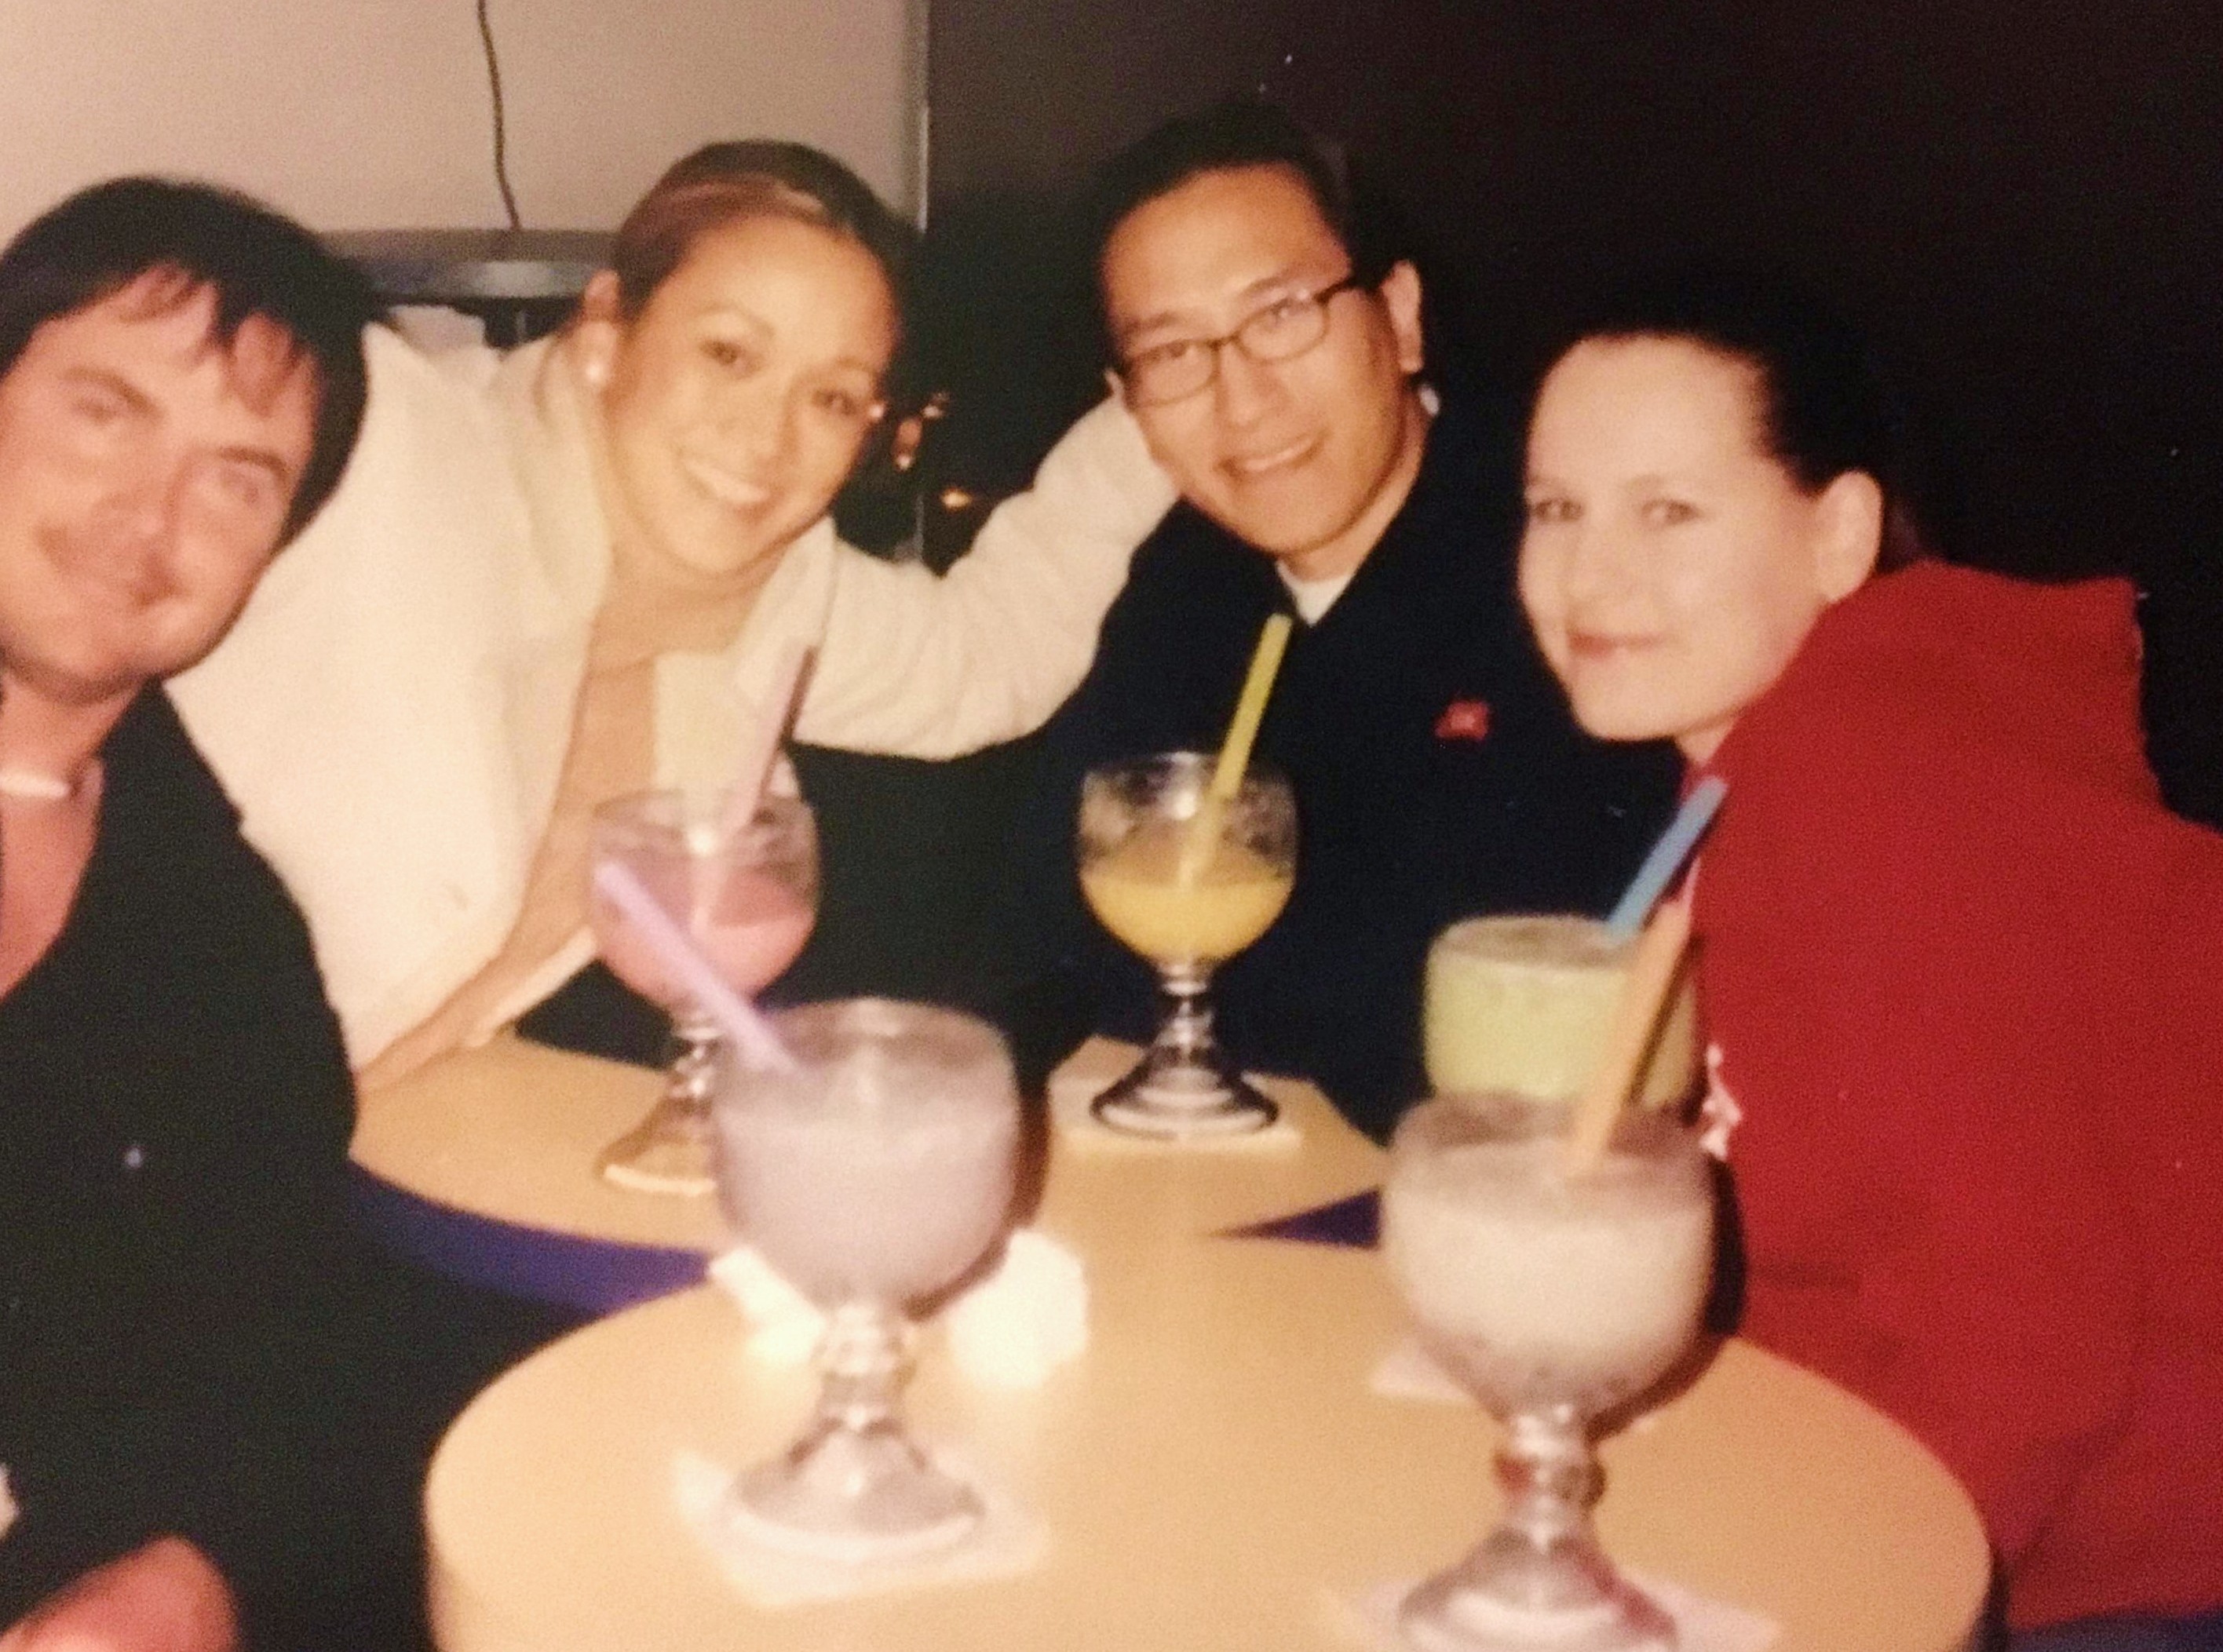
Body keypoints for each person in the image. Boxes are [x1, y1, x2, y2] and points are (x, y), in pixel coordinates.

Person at [1515, 268, 2223, 1645]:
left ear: (1838, 533)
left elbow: (2026, 1347)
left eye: (1667, 511)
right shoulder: (1758, 764)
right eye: (1555, 509)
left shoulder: (1873, 773)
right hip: (1938, 1499)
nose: (1588, 575)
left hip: (2122, 1576)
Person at [166, 140, 1176, 1085]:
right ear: (607, 331)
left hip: (361, 1131)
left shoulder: (781, 592)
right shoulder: (379, 445)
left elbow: (987, 654)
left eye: (832, 398)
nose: (767, 437)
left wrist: (1178, 388)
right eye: (730, 354)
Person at [0, 178, 560, 1650]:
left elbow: (296, 1341)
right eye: (106, 412)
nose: (153, 518)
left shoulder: (213, 931)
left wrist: (195, 1572)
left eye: (240, 479)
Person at [1004, 102, 1680, 1138]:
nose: (1244, 400)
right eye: (1173, 353)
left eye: (1282, 314)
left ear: (1400, 317)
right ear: (1127, 403)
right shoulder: (1178, 587)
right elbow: (1053, 938)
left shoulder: (1569, 565)